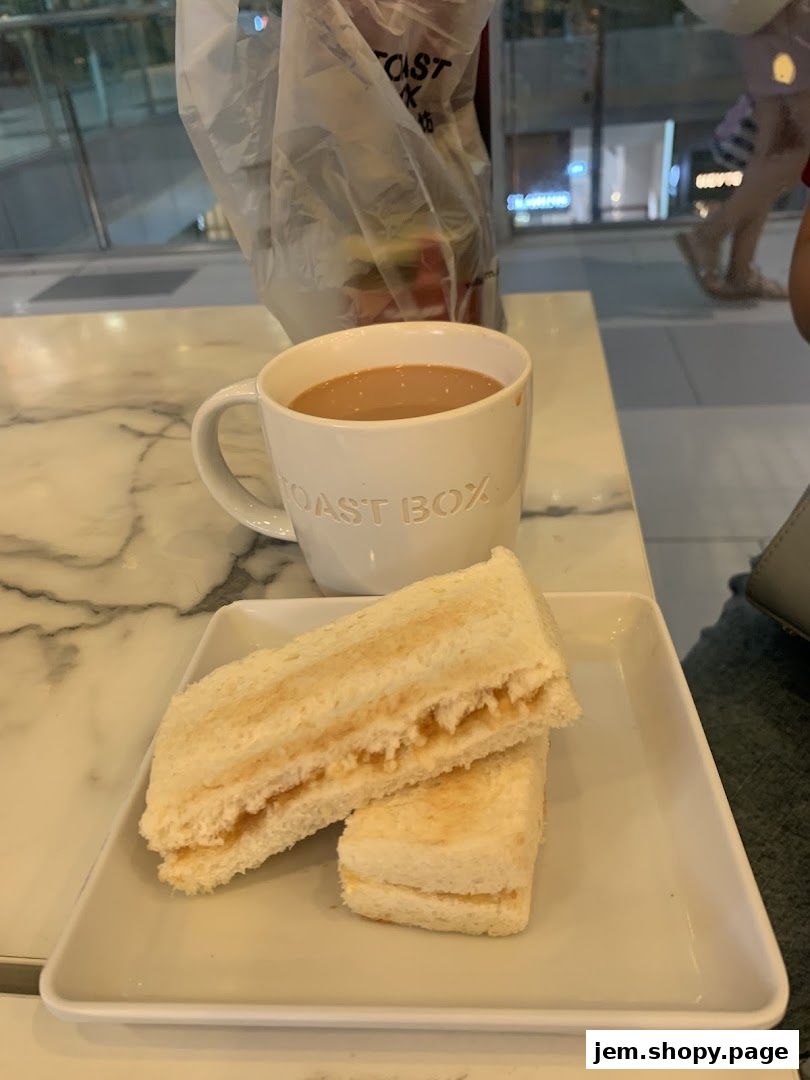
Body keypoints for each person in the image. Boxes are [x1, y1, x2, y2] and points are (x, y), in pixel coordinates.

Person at [678, 0, 810, 300]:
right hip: (786, 23)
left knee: (776, 146)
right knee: (794, 148)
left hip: (762, 22)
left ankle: (740, 269)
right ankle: (711, 235)